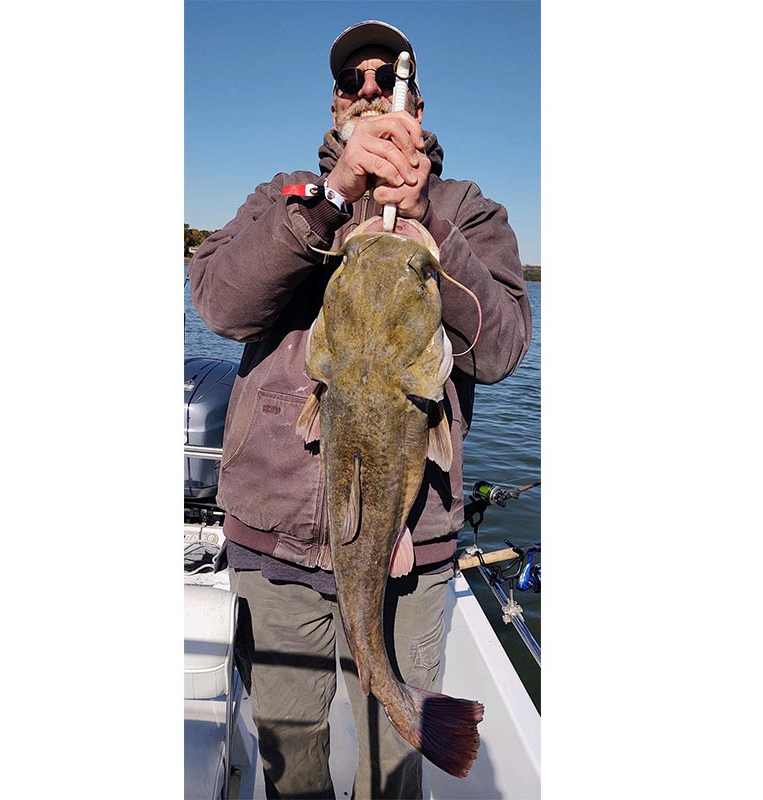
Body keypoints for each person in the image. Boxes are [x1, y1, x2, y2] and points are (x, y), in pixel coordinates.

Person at [190, 19, 531, 799]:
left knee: (389, 767)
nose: (370, 89)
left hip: (411, 553)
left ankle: (407, 728)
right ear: (337, 103)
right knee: (288, 749)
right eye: (354, 80)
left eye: (387, 77)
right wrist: (331, 197)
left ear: (415, 101)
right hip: (272, 544)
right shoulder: (285, 197)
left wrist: (431, 225)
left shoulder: (468, 211)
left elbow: (503, 346)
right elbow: (220, 302)